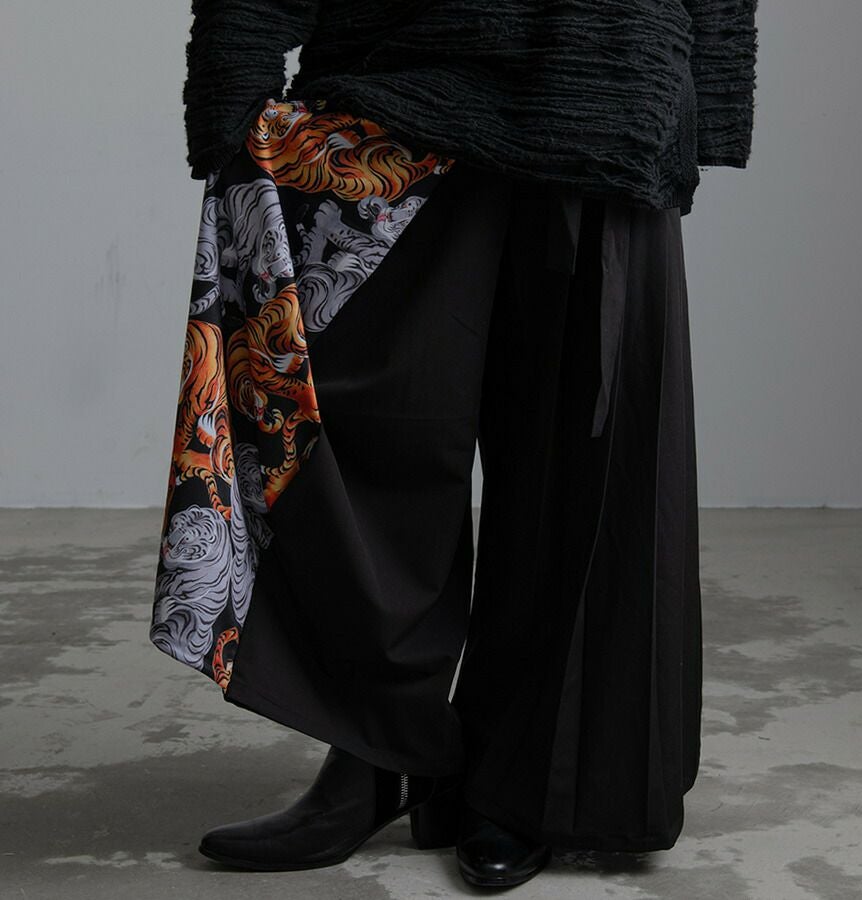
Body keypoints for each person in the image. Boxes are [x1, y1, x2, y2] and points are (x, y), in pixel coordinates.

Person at [149, 0, 759, 888]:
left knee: (581, 465)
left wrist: (701, 95)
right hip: (400, 82)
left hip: (605, 82)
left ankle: (531, 785)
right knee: (363, 436)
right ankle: (377, 751)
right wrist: (234, 85)